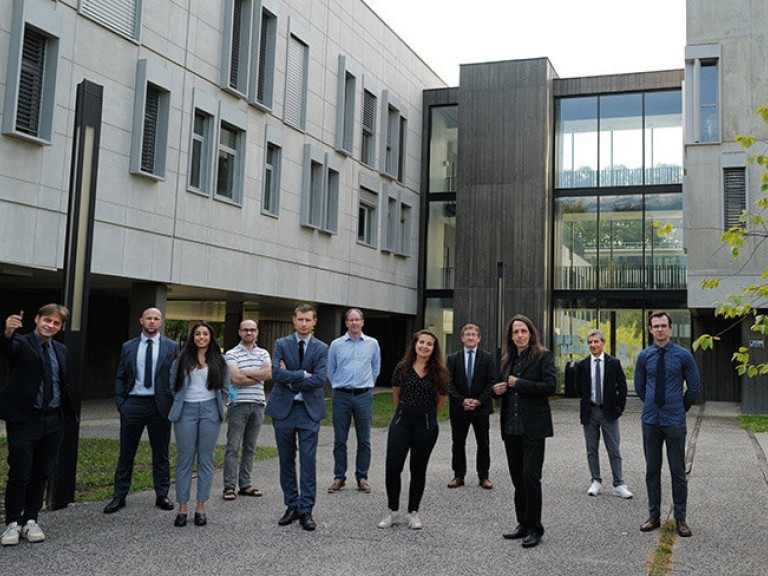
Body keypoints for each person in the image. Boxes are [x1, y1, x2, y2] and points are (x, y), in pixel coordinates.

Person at [0, 305, 75, 546]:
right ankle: (13, 522)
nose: (50, 325)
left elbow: (62, 382)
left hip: (53, 419)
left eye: (56, 323)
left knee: (42, 471)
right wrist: (7, 333)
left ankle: (31, 519)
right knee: (20, 472)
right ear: (37, 319)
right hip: (25, 419)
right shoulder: (22, 343)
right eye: (47, 320)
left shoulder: (61, 350)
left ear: (60, 327)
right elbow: (7, 349)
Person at [104, 307, 179, 514]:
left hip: (159, 406)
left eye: (156, 318)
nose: (152, 322)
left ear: (161, 322)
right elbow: (121, 375)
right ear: (141, 320)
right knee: (126, 453)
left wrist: (172, 401)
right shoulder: (128, 346)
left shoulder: (172, 346)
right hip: (133, 404)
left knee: (161, 453)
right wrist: (121, 402)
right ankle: (119, 496)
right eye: (148, 318)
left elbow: (177, 376)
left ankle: (162, 494)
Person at [635, 311, 700, 538]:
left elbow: (693, 387)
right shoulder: (644, 356)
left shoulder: (683, 355)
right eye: (656, 326)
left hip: (674, 421)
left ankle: (680, 518)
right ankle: (654, 516)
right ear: (650, 329)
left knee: (677, 471)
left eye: (664, 325)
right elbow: (640, 387)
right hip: (651, 420)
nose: (660, 329)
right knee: (652, 470)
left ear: (670, 328)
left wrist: (680, 408)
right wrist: (652, 404)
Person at [493, 314, 555, 549]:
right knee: (517, 479)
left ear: (530, 334)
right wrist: (496, 390)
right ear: (511, 336)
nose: (520, 335)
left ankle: (535, 528)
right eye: (515, 332)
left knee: (531, 478)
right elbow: (502, 387)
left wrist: (519, 383)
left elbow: (550, 386)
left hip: (533, 429)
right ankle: (523, 523)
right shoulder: (507, 359)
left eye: (523, 331)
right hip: (511, 429)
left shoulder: (543, 356)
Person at [377, 329, 449, 531]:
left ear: (434, 348)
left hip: (425, 425)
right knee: (393, 468)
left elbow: (442, 399)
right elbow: (396, 395)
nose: (424, 346)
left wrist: (428, 416)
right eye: (421, 342)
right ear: (415, 345)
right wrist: (404, 412)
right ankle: (393, 510)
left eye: (429, 344)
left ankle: (413, 512)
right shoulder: (402, 368)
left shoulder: (439, 372)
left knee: (418, 469)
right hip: (402, 422)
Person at [267, 304, 328, 531]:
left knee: (308, 461)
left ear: (314, 322)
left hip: (309, 411)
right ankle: (291, 505)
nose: (303, 324)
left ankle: (306, 510)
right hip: (283, 410)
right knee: (286, 459)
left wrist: (290, 379)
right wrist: (302, 374)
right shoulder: (281, 344)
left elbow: (320, 379)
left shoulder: (322, 348)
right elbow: (275, 373)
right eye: (300, 319)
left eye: (307, 320)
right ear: (293, 320)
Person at [168, 321, 230, 527]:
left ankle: (201, 507)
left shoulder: (219, 360)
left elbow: (225, 387)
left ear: (211, 337)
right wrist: (181, 401)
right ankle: (182, 508)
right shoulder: (181, 359)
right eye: (197, 334)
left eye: (205, 334)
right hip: (186, 410)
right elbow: (172, 385)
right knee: (185, 459)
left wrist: (217, 405)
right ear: (192, 337)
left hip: (210, 411)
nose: (201, 337)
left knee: (206, 459)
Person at [327, 308, 381, 494]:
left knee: (364, 439)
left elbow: (375, 368)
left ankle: (362, 477)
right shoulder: (336, 345)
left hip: (363, 396)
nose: (354, 323)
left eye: (357, 319)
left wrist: (367, 384)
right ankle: (339, 477)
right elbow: (330, 369)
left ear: (362, 322)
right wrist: (338, 384)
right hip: (341, 396)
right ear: (346, 323)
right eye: (351, 320)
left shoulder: (372, 344)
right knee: (340, 439)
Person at [575, 329, 632, 499]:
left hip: (609, 412)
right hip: (590, 412)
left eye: (596, 341)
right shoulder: (582, 365)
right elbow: (579, 388)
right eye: (590, 342)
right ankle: (596, 481)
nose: (593, 345)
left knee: (614, 449)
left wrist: (619, 408)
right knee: (591, 449)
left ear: (603, 342)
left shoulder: (613, 363)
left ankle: (619, 484)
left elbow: (622, 387)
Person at [222, 319, 271, 501]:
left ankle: (245, 484)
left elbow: (268, 373)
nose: (249, 333)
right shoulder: (231, 354)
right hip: (238, 405)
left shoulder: (263, 353)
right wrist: (258, 376)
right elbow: (235, 379)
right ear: (239, 332)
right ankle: (229, 486)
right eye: (245, 330)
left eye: (252, 330)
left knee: (250, 447)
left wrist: (246, 373)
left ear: (257, 332)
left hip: (258, 405)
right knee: (233, 447)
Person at [446, 323, 496, 490]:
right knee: (458, 444)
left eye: (473, 335)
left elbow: (491, 382)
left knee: (483, 443)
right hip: (459, 408)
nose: (470, 337)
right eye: (467, 334)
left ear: (479, 338)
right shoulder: (452, 358)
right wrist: (462, 401)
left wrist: (478, 401)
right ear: (462, 338)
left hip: (480, 408)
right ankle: (458, 476)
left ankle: (484, 477)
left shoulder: (487, 358)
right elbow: (448, 384)